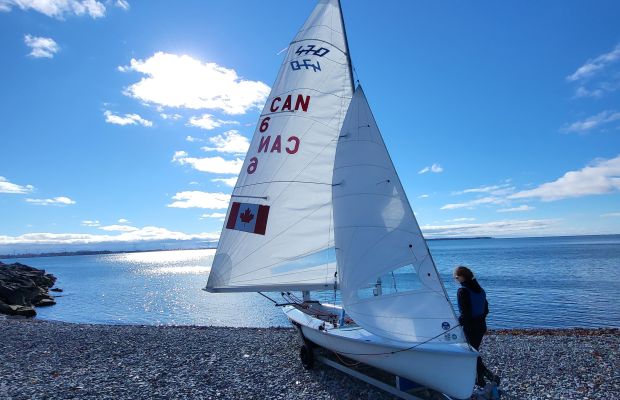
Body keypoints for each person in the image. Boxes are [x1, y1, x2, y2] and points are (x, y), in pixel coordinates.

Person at [453, 265, 500, 388]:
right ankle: (480, 380)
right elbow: (486, 310)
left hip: (471, 327)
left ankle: (489, 376)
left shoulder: (463, 291)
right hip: (481, 326)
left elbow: (465, 314)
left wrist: (455, 324)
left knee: (471, 353)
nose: (456, 279)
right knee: (474, 351)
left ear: (462, 277)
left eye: (456, 277)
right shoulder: (480, 290)